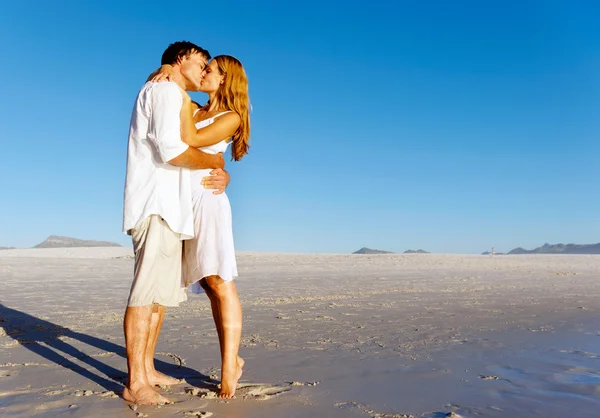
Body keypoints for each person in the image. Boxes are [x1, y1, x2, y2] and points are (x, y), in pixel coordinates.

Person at [122, 41, 231, 405]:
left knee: (159, 297)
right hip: (156, 204)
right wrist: (216, 164)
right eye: (201, 63)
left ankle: (148, 369)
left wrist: (222, 170)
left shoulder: (176, 94)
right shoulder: (166, 89)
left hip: (171, 209)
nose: (204, 71)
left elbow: (195, 136)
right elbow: (172, 150)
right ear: (180, 60)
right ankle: (136, 383)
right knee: (145, 294)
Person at [151, 55, 250, 398]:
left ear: (225, 79)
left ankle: (229, 364)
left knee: (219, 280)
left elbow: (190, 138)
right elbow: (168, 84)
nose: (203, 72)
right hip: (183, 202)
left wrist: (179, 95)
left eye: (210, 70)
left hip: (208, 201)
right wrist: (167, 70)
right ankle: (231, 358)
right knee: (207, 284)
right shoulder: (195, 106)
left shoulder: (229, 117)